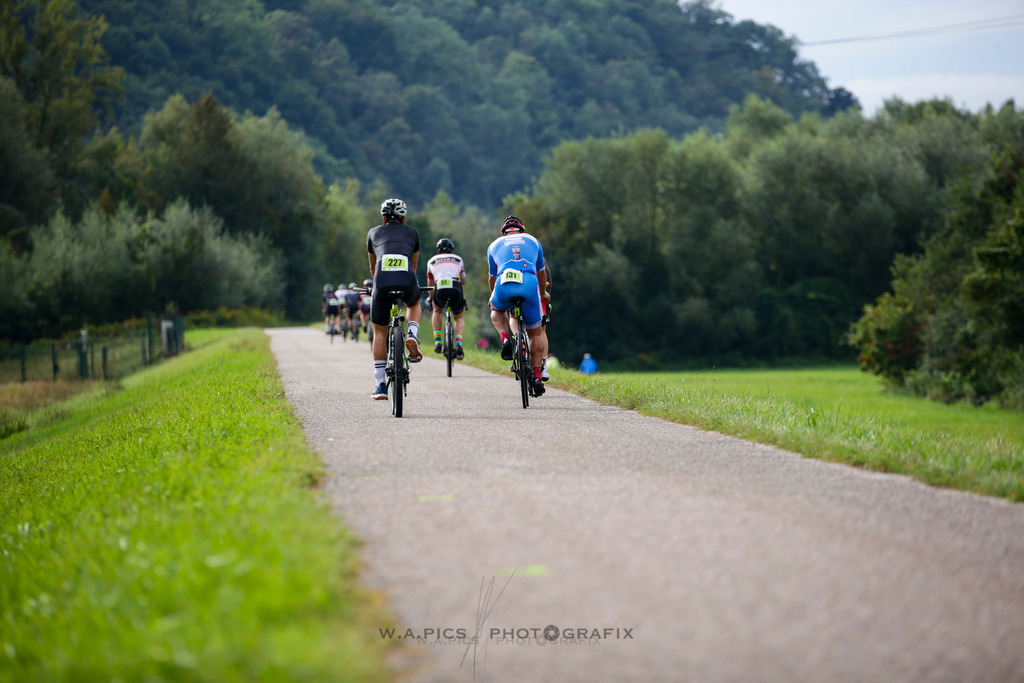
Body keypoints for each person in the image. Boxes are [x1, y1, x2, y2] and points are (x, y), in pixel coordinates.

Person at [367, 198, 423, 400]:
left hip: (381, 281)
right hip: (406, 278)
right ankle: (412, 335)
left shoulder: (373, 233)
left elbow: (373, 268)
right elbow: (414, 265)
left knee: (379, 332)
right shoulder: (413, 232)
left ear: (383, 218)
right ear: (404, 218)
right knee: (414, 303)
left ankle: (380, 385)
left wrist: (375, 288)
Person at [487, 215, 549, 397]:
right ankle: (537, 377)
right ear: (522, 230)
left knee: (496, 309)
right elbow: (542, 272)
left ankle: (506, 337)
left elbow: (492, 277)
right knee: (536, 333)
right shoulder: (533, 240)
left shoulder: (494, 244)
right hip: (529, 282)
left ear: (503, 232)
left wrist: (493, 295)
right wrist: (542, 294)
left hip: (504, 281)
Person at [426, 237, 467, 360]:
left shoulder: (431, 261)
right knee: (458, 317)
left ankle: (438, 341)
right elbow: (463, 281)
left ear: (438, 250)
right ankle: (458, 342)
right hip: (455, 288)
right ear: (451, 250)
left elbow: (430, 284)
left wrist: (430, 298)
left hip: (440, 288)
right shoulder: (458, 259)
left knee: (437, 311)